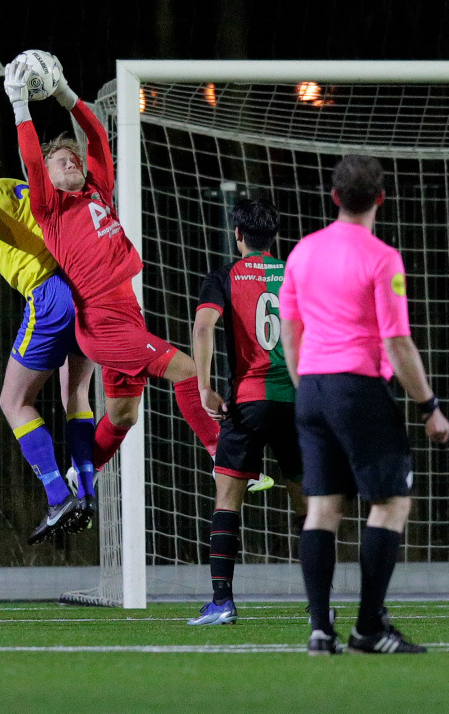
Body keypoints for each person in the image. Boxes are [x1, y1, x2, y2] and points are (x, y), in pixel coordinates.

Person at [0, 58, 221, 484]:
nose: (71, 162)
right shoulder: (49, 209)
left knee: (122, 413)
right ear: (45, 178)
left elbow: (97, 137)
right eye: (61, 161)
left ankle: (83, 474)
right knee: (189, 372)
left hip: (127, 311)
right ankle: (224, 459)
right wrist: (19, 106)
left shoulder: (96, 191)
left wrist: (65, 93)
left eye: (73, 158)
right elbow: (30, 161)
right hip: (101, 323)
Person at [279, 155, 449, 655]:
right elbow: (397, 342)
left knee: (323, 507)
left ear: (334, 197)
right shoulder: (382, 258)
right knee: (392, 502)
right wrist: (429, 406)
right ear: (380, 198)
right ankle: (368, 628)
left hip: (310, 388)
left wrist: (308, 382)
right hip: (357, 386)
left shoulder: (302, 253)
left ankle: (318, 630)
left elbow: (291, 331)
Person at [0, 138, 97, 543]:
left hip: (49, 296)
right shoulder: (15, 186)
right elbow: (28, 236)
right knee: (76, 394)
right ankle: (85, 492)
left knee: (13, 402)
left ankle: (57, 496)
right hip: (85, 288)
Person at [186, 198, 307, 626]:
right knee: (307, 503)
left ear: (238, 235)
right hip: (296, 400)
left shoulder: (225, 276)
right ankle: (319, 605)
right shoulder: (294, 274)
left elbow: (204, 327)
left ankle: (222, 601)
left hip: (248, 401)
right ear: (273, 237)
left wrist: (203, 387)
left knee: (227, 497)